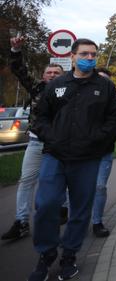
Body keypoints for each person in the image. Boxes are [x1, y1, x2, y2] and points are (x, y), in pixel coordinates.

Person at [28, 38, 116, 281]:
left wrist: (97, 139)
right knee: (46, 204)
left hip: (87, 158)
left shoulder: (104, 87)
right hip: (56, 156)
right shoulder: (57, 85)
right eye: (85, 54)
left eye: (94, 55)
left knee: (80, 211)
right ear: (72, 57)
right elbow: (40, 118)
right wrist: (53, 137)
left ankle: (69, 256)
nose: (90, 58)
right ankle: (46, 254)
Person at [1, 36, 64, 241]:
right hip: (37, 143)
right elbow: (19, 70)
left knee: (63, 179)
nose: (53, 75)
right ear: (43, 76)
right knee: (26, 180)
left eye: (57, 73)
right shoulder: (37, 89)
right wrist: (15, 50)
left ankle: (62, 210)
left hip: (61, 144)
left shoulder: (70, 91)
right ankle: (21, 221)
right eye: (49, 72)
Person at [90, 67, 116, 238]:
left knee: (99, 186)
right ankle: (76, 218)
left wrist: (107, 137)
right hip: (81, 153)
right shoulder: (82, 96)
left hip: (103, 151)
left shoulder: (114, 101)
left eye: (106, 80)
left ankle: (97, 221)